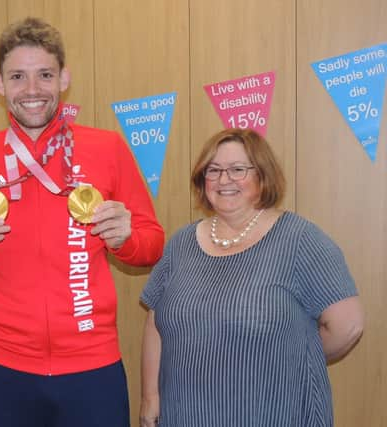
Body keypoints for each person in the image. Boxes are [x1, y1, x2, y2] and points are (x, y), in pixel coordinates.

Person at [0, 17, 164, 427]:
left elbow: (152, 243)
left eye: (44, 75)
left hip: (92, 366)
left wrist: (125, 239)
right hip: (4, 369)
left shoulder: (106, 148)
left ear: (64, 79)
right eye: (18, 76)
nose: (32, 89)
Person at [139, 128, 364, 427]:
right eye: (213, 170)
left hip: (271, 412)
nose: (223, 180)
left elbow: (348, 326)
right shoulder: (182, 243)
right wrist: (150, 396)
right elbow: (156, 321)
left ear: (263, 175)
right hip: (186, 412)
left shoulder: (300, 239)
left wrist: (285, 356)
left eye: (237, 170)